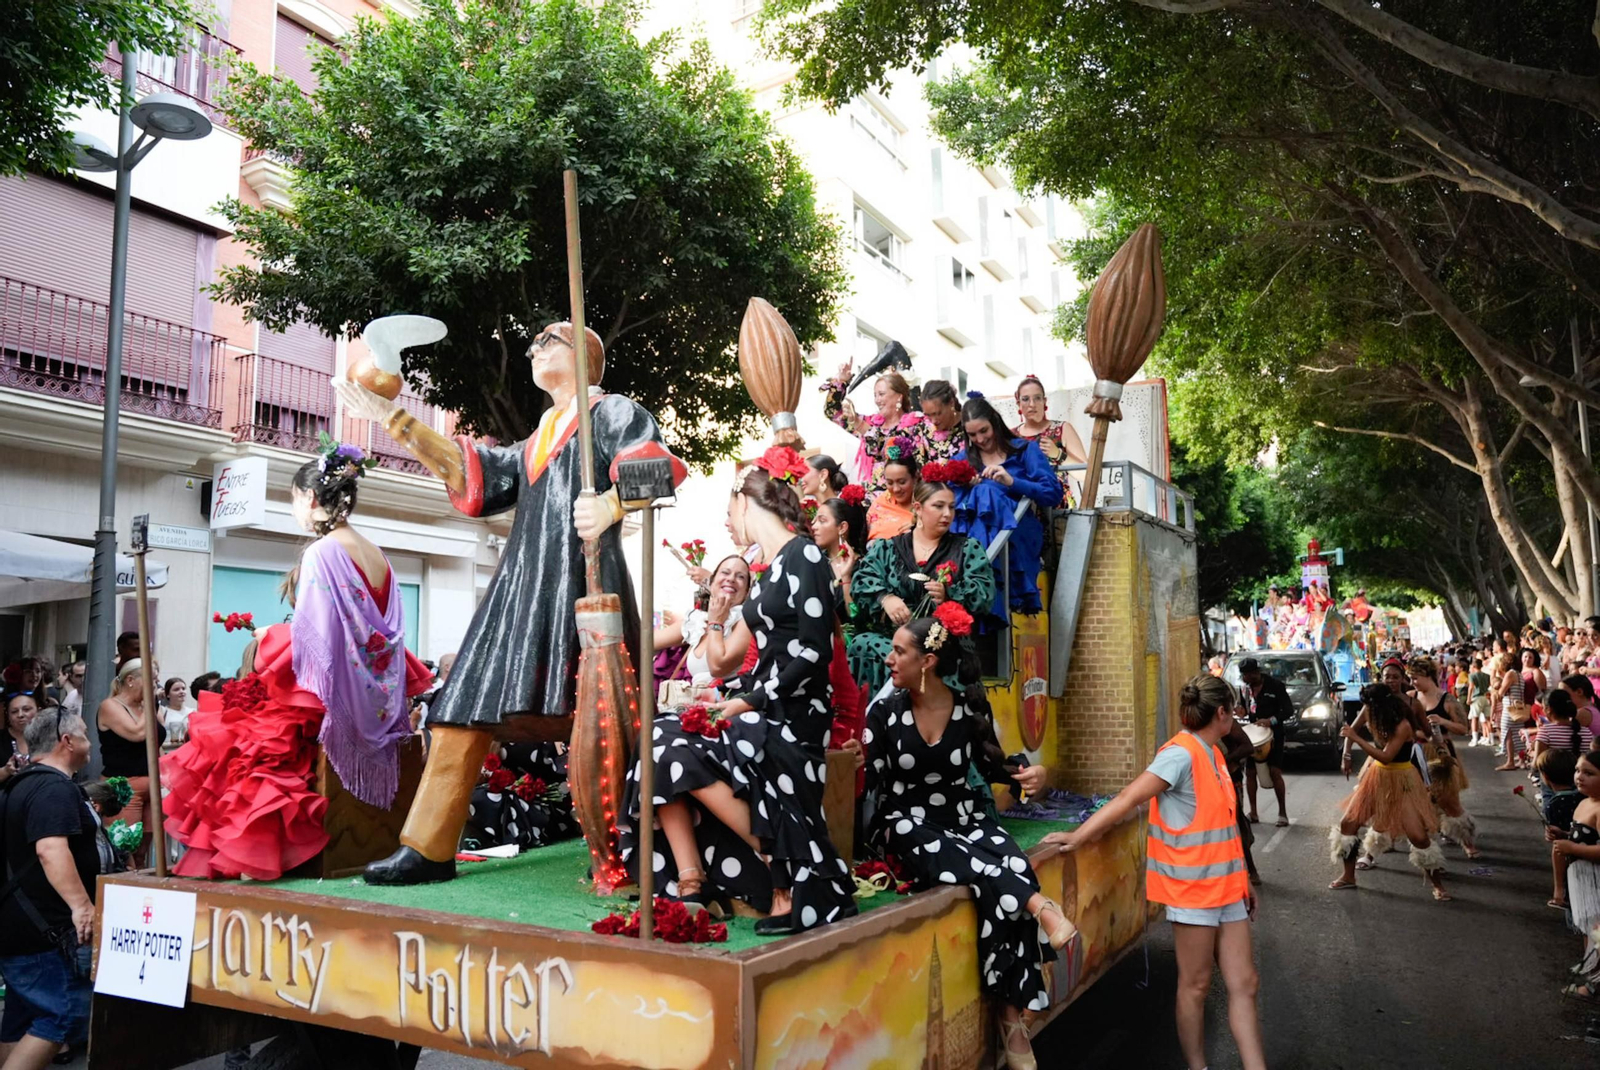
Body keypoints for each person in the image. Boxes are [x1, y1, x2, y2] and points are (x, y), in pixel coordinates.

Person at [337, 321, 684, 886]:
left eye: (545, 341)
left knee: (611, 719)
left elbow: (658, 462)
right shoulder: (541, 435)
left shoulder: (613, 410)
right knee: (459, 703)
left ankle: (633, 847)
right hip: (521, 586)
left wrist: (616, 504)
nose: (532, 351)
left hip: (585, 583)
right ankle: (427, 846)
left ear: (583, 358)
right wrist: (396, 422)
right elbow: (476, 476)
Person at [161, 448, 433, 880]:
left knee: (245, 743)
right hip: (375, 692)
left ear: (310, 498)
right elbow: (379, 635)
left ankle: (262, 855)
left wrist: (268, 636)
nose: (294, 510)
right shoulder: (377, 554)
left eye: (292, 501)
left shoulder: (322, 552)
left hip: (333, 694)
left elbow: (314, 639)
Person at [622, 462, 855, 934]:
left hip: (793, 715)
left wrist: (749, 701)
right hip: (768, 707)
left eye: (729, 511)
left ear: (746, 502)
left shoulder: (805, 556)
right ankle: (698, 880)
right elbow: (728, 658)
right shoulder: (771, 573)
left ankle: (795, 878)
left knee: (674, 740)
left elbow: (814, 650)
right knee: (664, 738)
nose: (727, 523)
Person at [845, 608, 1067, 1070]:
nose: (889, 659)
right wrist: (850, 761)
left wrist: (1032, 774)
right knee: (988, 870)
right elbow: (868, 784)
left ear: (927, 662)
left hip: (964, 818)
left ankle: (1010, 1016)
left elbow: (995, 768)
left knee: (1014, 865)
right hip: (905, 823)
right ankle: (1041, 909)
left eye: (899, 651)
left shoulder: (967, 708)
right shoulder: (883, 712)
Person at [1046, 675, 1266, 1070]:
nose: (1234, 718)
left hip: (1228, 890)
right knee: (1196, 986)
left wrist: (1244, 881)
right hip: (1194, 892)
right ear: (1221, 713)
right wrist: (1078, 837)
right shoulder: (1180, 754)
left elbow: (1226, 824)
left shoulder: (1214, 753)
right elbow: (1131, 797)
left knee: (1245, 982)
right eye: (1232, 711)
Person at [0, 707, 97, 1070]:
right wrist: (81, 905)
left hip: (21, 923)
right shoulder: (52, 787)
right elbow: (50, 848)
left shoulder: (20, 783)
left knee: (22, 1018)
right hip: (45, 929)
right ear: (67, 742)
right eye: (85, 735)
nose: (90, 743)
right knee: (63, 1017)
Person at [849, 480, 996, 698]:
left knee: (936, 657)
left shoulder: (966, 548)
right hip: (893, 639)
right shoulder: (888, 548)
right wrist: (885, 598)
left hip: (940, 642)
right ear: (918, 508)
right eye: (938, 506)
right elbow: (861, 581)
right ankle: (876, 720)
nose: (947, 514)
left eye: (952, 507)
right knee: (863, 644)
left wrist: (949, 594)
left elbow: (984, 593)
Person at [1332, 685, 1449, 900]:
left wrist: (1356, 740)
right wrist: (1346, 754)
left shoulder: (1403, 725)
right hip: (1377, 775)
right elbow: (1353, 729)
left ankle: (1438, 885)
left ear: (1383, 706)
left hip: (1402, 777)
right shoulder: (1370, 710)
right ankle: (1349, 876)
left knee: (1417, 836)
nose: (1367, 710)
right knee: (1348, 824)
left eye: (1370, 707)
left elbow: (1386, 756)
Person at [954, 397, 1061, 614]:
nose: (980, 439)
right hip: (973, 537)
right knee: (983, 491)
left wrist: (1012, 482)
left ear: (995, 421)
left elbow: (1052, 493)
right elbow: (950, 505)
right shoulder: (962, 460)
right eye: (972, 435)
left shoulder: (1024, 450)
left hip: (1017, 531)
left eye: (984, 430)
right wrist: (967, 488)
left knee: (987, 490)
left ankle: (978, 583)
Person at [1409, 655, 1478, 859]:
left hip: (1441, 752)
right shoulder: (1411, 697)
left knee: (1450, 799)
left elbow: (1463, 728)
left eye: (1415, 678)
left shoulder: (1446, 699)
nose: (1413, 682)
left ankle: (1467, 841)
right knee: (1421, 797)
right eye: (1411, 678)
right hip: (1417, 752)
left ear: (1427, 676)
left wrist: (1442, 721)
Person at [94, 659, 164, 864]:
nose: (155, 685)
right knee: (124, 848)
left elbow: (157, 737)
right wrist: (151, 704)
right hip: (124, 785)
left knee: (145, 848)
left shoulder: (147, 707)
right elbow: (138, 733)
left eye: (157, 680)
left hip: (151, 783)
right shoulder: (110, 706)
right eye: (151, 680)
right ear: (131, 680)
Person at [821, 364, 924, 496]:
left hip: (905, 499)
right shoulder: (871, 422)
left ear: (899, 396)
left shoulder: (916, 424)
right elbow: (833, 412)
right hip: (873, 502)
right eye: (875, 395)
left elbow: (885, 448)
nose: (877, 400)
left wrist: (860, 425)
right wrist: (841, 382)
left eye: (881, 394)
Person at [653, 555, 753, 687]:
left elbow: (718, 667)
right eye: (725, 572)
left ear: (747, 592)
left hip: (727, 701)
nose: (731, 579)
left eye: (740, 577)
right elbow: (649, 640)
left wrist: (716, 622)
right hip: (696, 701)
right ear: (711, 583)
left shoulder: (745, 620)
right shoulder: (697, 619)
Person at [1557, 750, 1600, 998]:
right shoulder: (1584, 802)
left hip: (1595, 881)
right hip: (1581, 880)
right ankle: (1592, 981)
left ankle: (1593, 983)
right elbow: (1581, 835)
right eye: (1577, 770)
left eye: (1589, 773)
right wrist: (1562, 836)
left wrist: (1572, 847)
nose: (1579, 777)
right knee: (1589, 933)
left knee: (1597, 934)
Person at [1011, 375, 1087, 504]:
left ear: (1044, 401)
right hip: (1022, 507)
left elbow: (1086, 474)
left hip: (1057, 506)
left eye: (1037, 398)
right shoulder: (1011, 436)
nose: (1032, 404)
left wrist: (1058, 455)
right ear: (1018, 403)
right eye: (1025, 399)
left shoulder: (1062, 429)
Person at [1236, 658, 1291, 827]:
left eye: (1251, 675)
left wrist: (1271, 720)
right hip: (1254, 737)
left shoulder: (1276, 686)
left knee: (1274, 772)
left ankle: (1282, 813)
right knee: (1250, 773)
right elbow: (1244, 710)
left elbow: (1288, 710)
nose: (1249, 679)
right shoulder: (1244, 689)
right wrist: (1241, 711)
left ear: (1257, 672)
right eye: (1245, 676)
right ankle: (1253, 812)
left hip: (1274, 735)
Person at [1540, 749, 1582, 909]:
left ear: (1545, 776)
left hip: (1568, 846)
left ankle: (1559, 891)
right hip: (1583, 843)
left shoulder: (1554, 803)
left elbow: (1558, 844)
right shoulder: (1583, 796)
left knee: (1558, 848)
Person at [865, 444, 918, 541]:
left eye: (902, 482)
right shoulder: (879, 504)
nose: (896, 489)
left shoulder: (926, 504)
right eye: (890, 483)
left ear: (915, 478)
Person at [912, 378, 968, 466]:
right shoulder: (921, 431)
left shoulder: (969, 427)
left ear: (951, 403)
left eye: (937, 413)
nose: (933, 421)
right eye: (928, 415)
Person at [1492, 651, 1532, 771]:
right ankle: (1521, 759)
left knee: (1508, 733)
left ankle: (1510, 761)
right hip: (1518, 707)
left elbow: (1501, 692)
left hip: (1509, 708)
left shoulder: (1510, 674)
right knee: (1517, 734)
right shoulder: (1519, 674)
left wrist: (1498, 686)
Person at [4, 692, 35, 776]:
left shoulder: (47, 737)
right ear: (8, 716)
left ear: (38, 711)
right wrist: (6, 771)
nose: (20, 715)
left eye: (26, 709)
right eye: (14, 712)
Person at [1466, 656, 1494, 746]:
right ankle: (1491, 739)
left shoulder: (1472, 676)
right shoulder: (1487, 676)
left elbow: (1471, 687)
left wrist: (1468, 698)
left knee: (1475, 718)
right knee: (1488, 719)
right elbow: (1490, 686)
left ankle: (1475, 739)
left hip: (1476, 697)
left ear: (1474, 667)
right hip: (1486, 697)